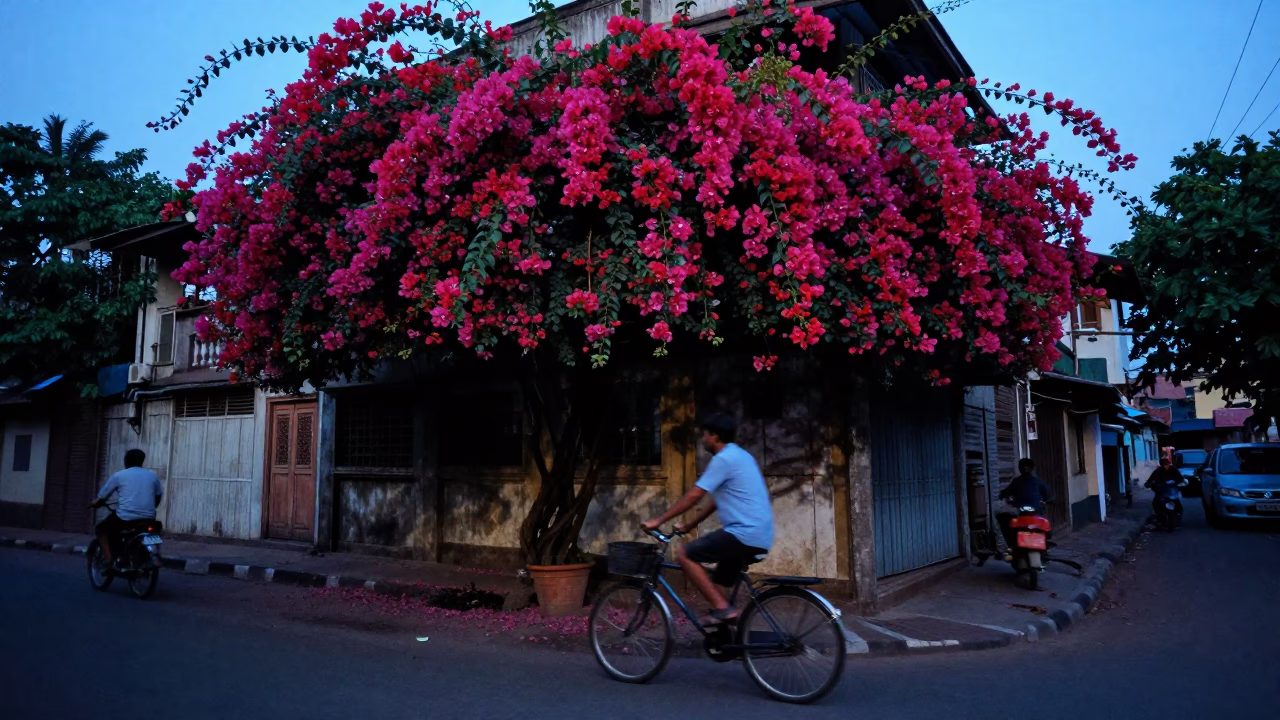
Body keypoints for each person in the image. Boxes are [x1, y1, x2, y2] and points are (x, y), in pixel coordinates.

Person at [643, 413, 773, 624]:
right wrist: (689, 525)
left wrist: (658, 520)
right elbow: (715, 501)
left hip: (743, 533)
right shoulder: (741, 456)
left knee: (684, 554)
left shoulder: (723, 459)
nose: (702, 439)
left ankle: (724, 610)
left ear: (714, 436)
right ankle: (727, 634)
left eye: (704, 434)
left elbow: (695, 496)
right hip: (758, 534)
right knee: (719, 583)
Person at [89, 449, 163, 568]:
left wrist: (93, 504)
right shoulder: (152, 476)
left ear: (126, 461)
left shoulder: (119, 475)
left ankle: (109, 561)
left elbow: (102, 497)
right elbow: (158, 496)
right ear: (141, 461)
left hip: (125, 518)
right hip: (148, 518)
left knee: (101, 529)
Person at [997, 458, 1055, 550]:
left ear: (1031, 468)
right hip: (1022, 512)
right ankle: (1013, 545)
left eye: (1027, 467)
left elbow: (1048, 494)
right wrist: (1004, 496)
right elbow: (1008, 492)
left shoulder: (1037, 482)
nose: (1025, 469)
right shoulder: (1017, 482)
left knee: (1045, 524)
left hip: (1036, 512)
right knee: (1007, 521)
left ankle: (1044, 543)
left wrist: (1049, 500)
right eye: (1023, 467)